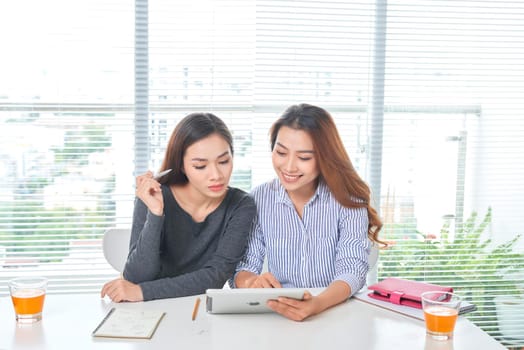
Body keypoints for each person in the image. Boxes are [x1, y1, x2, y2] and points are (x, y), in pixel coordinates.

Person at [233, 103, 383, 321]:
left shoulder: (348, 201)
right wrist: (250, 282)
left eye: (304, 158)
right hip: (280, 314)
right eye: (281, 152)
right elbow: (245, 266)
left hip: (337, 310)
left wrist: (317, 304)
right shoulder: (259, 199)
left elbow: (352, 269)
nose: (289, 167)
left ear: (325, 158)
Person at [101, 112, 256, 302]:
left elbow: (215, 276)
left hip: (195, 310)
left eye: (224, 161)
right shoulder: (153, 195)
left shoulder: (241, 205)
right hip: (147, 310)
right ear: (181, 165)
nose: (216, 175)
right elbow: (137, 276)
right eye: (200, 166)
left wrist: (141, 292)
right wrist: (156, 214)